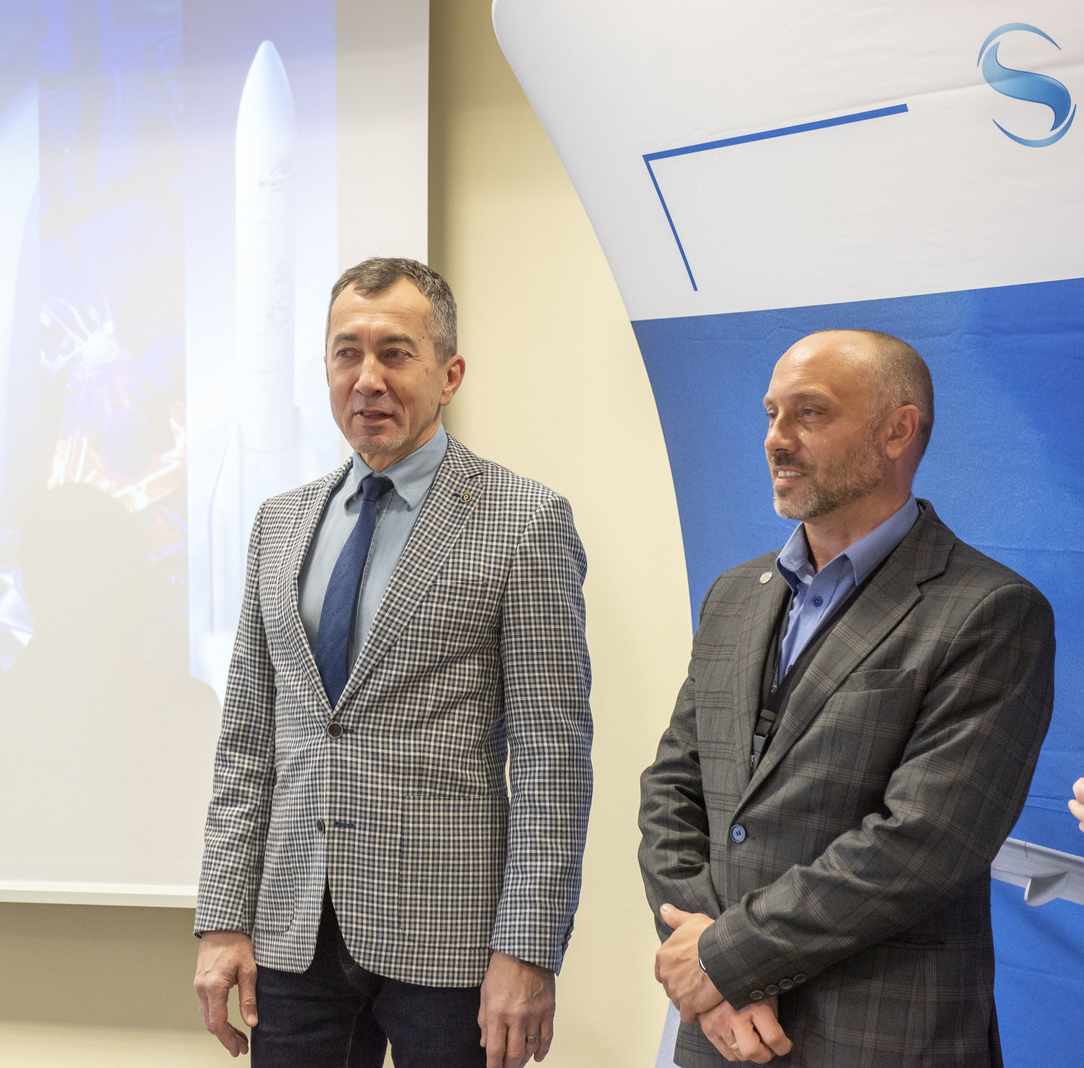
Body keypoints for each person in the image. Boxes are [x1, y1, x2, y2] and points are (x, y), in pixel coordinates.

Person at [193, 258, 593, 1068]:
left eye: (395, 353)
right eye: (348, 353)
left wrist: (528, 949)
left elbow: (551, 758)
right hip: (294, 934)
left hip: (452, 946)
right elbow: (248, 742)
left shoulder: (525, 521)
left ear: (449, 375)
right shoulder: (279, 525)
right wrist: (223, 918)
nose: (367, 378)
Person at [639, 330, 1054, 1066]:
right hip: (723, 1035)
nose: (776, 439)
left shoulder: (989, 612)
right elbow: (674, 787)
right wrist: (708, 964)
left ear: (897, 430)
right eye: (771, 413)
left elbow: (921, 844)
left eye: (810, 413)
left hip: (880, 1039)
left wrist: (726, 959)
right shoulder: (735, 594)